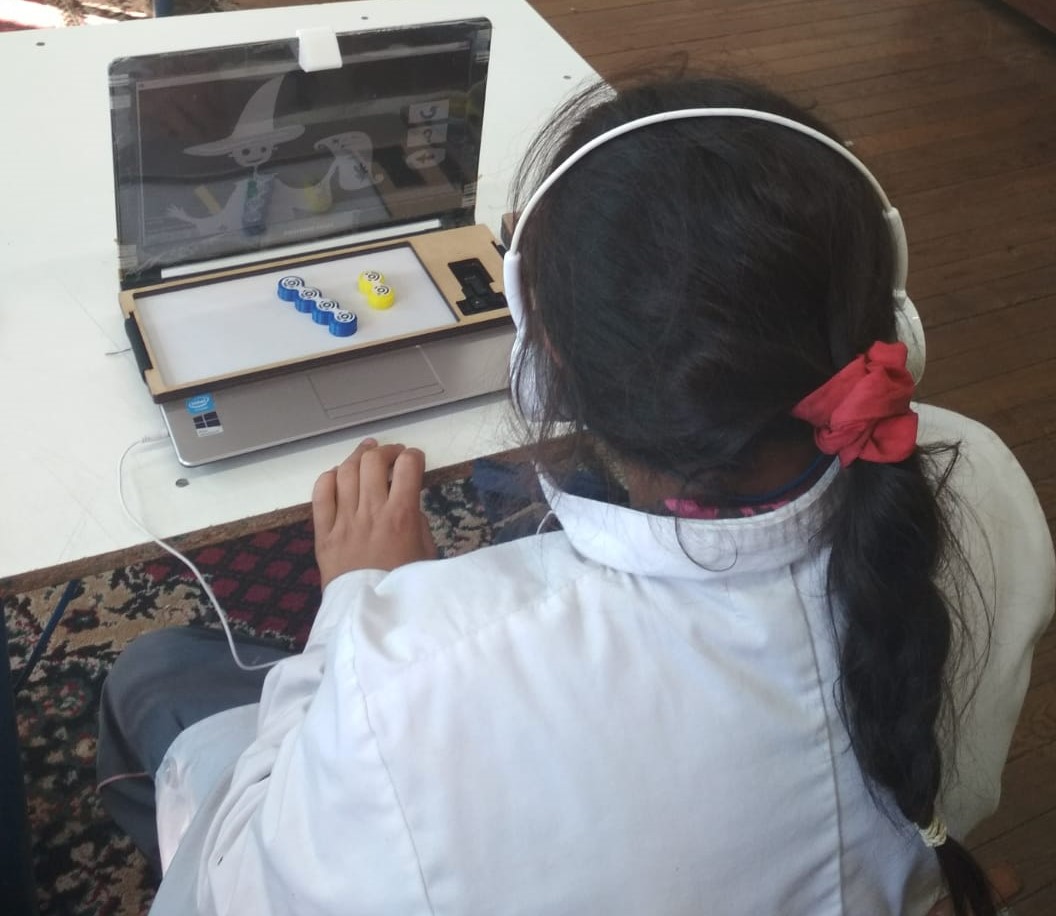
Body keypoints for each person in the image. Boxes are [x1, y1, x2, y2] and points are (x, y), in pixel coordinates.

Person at [97, 75, 1054, 916]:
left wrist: (359, 606)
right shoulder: (988, 477)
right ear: (885, 305)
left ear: (539, 352)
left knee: (154, 675)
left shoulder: (409, 680)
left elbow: (236, 890)